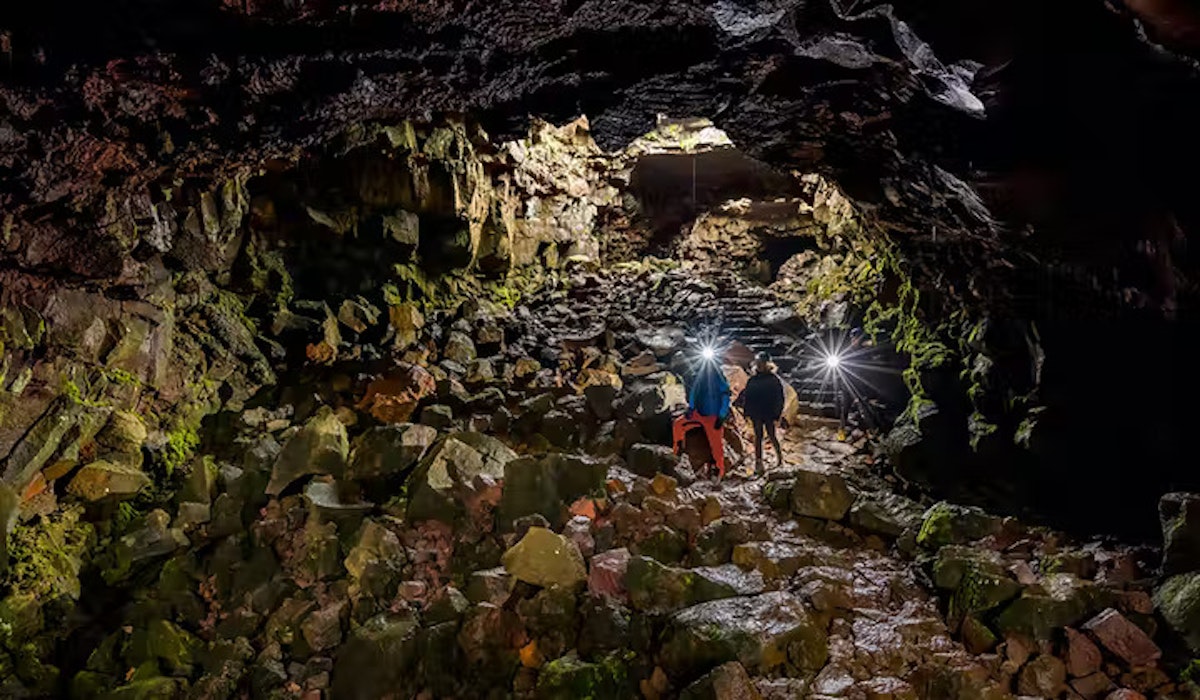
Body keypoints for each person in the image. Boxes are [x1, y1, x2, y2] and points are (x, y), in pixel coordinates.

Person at [672, 356, 732, 480]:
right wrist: (691, 408)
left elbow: (725, 395)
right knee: (678, 424)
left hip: (713, 416)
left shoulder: (718, 378)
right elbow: (694, 392)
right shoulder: (701, 376)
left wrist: (721, 415)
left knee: (716, 445)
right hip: (699, 413)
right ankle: (677, 450)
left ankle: (719, 470)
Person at [736, 352, 785, 476]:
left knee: (771, 435)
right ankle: (759, 463)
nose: (759, 366)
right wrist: (747, 411)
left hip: (768, 412)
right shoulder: (753, 380)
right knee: (758, 437)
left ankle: (779, 458)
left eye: (762, 363)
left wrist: (777, 414)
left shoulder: (773, 380)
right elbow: (748, 396)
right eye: (758, 363)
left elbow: (779, 398)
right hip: (757, 412)